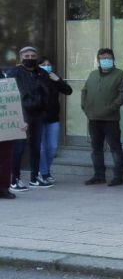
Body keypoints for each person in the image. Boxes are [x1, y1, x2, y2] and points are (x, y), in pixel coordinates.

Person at [4, 46, 50, 190]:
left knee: (36, 147)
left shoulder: (41, 73)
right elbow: (8, 95)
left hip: (38, 114)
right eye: (27, 56)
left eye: (33, 56)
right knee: (18, 148)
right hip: (21, 115)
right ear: (21, 57)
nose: (30, 58)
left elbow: (48, 92)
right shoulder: (13, 72)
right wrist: (17, 115)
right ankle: (14, 180)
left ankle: (34, 178)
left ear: (36, 57)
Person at [81, 47, 123, 186]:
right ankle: (99, 175)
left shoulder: (121, 74)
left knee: (115, 148)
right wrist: (85, 106)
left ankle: (118, 176)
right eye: (102, 59)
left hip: (110, 119)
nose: (105, 61)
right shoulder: (93, 74)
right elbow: (85, 90)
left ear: (113, 60)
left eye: (108, 58)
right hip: (93, 119)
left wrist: (110, 108)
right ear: (98, 60)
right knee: (96, 149)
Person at [36, 57, 72, 186]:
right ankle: (43, 173)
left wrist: (58, 80)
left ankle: (45, 171)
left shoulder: (54, 78)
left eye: (48, 64)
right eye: (43, 64)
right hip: (38, 119)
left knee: (52, 147)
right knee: (41, 149)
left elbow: (68, 91)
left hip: (53, 118)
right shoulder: (34, 78)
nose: (47, 66)